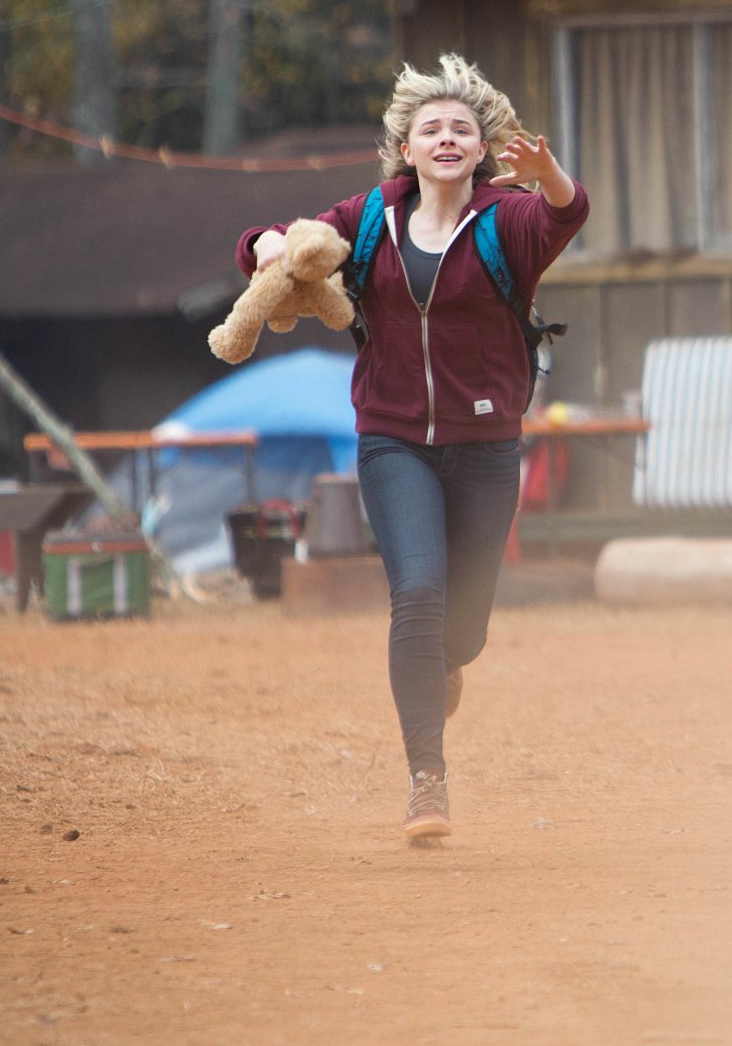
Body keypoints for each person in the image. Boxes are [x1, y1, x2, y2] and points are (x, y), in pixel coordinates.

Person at [234, 53, 589, 842]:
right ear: (407, 148)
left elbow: (565, 215)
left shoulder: (508, 219)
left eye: (461, 128)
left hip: (486, 444)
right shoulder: (370, 217)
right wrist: (264, 246)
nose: (447, 138)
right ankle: (427, 780)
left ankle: (447, 663)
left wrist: (551, 176)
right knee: (418, 592)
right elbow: (290, 242)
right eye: (432, 129)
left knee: (462, 632)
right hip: (393, 439)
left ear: (482, 147)